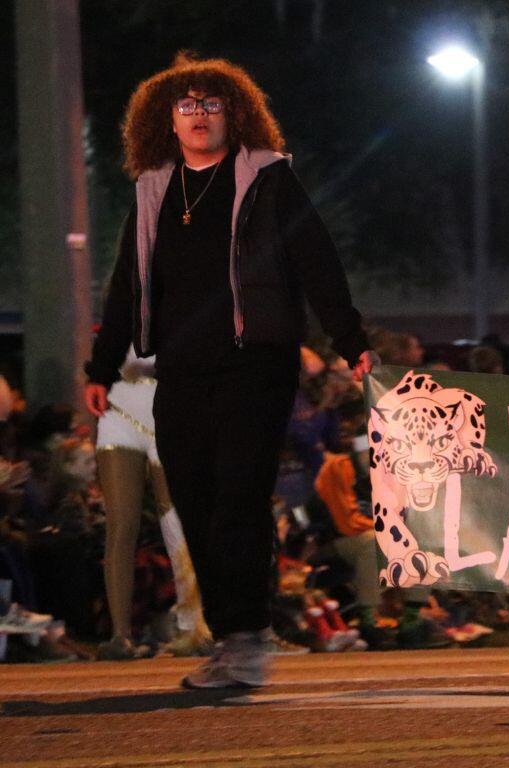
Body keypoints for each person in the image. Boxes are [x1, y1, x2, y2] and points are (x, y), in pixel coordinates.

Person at [83, 54, 376, 689]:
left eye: (211, 104)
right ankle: (229, 637)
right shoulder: (154, 189)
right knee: (193, 503)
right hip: (181, 371)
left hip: (257, 363)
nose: (198, 114)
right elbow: (127, 284)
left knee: (238, 502)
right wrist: (102, 367)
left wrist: (350, 339)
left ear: (234, 114)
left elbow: (317, 260)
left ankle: (246, 638)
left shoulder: (267, 181)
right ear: (166, 118)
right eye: (186, 105)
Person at [95, 347, 210, 660]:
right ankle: (120, 635)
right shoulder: (120, 309)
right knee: (121, 525)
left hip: (170, 413)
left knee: (175, 518)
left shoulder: (185, 303)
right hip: (119, 414)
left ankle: (194, 626)